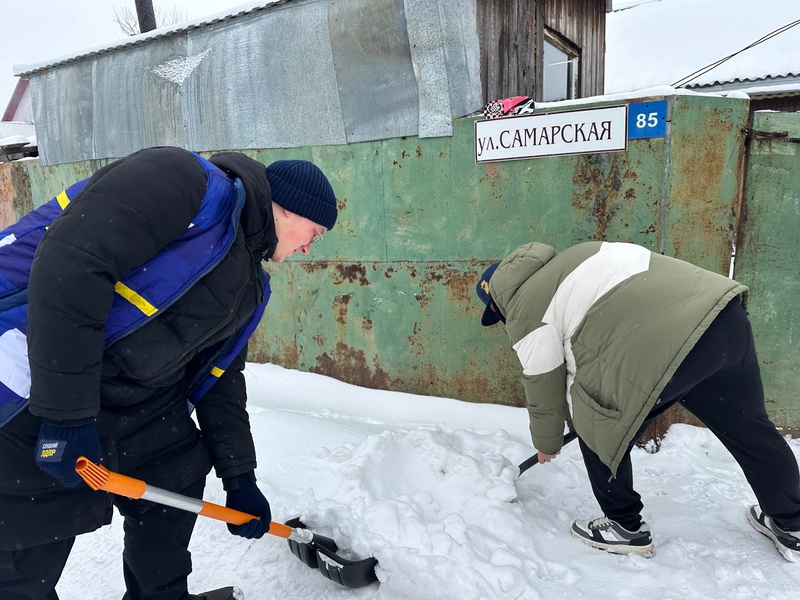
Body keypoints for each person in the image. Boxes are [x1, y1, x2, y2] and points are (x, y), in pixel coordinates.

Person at [0, 146, 338, 599]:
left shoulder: (251, 287)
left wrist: (241, 479)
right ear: (286, 209)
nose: (308, 247)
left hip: (137, 403)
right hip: (40, 379)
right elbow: (72, 264)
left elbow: (220, 380)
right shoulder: (185, 180)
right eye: (312, 232)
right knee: (30, 530)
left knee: (177, 471)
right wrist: (65, 416)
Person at [475, 240, 800, 560]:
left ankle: (623, 527)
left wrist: (547, 442)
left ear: (497, 302)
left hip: (665, 344)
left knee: (595, 421)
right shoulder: (579, 254)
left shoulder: (525, 309)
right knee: (749, 426)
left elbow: (543, 381)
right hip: (723, 316)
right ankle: (792, 523)